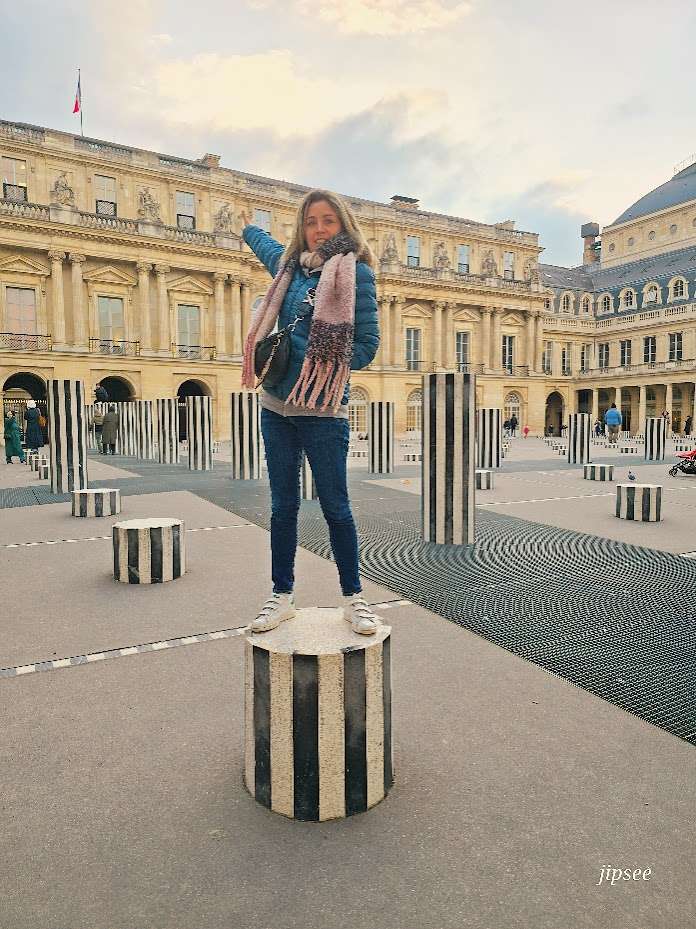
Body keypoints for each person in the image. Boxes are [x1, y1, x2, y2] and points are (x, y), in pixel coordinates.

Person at [240, 189, 380, 635]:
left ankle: (353, 598)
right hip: (276, 404)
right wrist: (243, 225)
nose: (319, 229)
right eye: (311, 222)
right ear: (302, 228)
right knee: (282, 507)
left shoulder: (355, 273)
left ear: (343, 225)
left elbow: (367, 346)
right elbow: (266, 246)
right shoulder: (290, 269)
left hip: (322, 410)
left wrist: (324, 363)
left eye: (328, 221)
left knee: (336, 508)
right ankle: (281, 596)